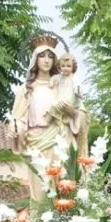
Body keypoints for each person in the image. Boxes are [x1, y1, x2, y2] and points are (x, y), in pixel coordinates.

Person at [10, 37, 87, 200]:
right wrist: (16, 128)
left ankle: (66, 215)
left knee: (64, 187)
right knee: (41, 193)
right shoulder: (26, 89)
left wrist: (71, 111)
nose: (46, 60)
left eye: (50, 56)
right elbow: (18, 118)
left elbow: (81, 113)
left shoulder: (64, 84)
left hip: (62, 140)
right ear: (35, 59)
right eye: (42, 56)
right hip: (37, 143)